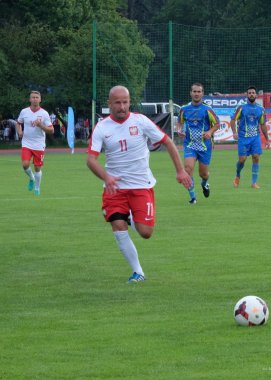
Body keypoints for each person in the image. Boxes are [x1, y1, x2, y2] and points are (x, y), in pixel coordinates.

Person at [86, 85, 192, 283]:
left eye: (125, 102)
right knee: (118, 225)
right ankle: (138, 272)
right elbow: (91, 160)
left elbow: (168, 141)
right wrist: (106, 178)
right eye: (117, 102)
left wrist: (180, 171)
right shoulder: (102, 127)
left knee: (145, 233)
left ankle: (131, 217)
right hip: (115, 189)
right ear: (110, 104)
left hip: (141, 186)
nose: (122, 106)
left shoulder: (141, 121)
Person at [176, 83, 220, 204]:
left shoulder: (207, 110)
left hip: (205, 146)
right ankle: (193, 197)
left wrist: (210, 132)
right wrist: (179, 130)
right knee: (188, 169)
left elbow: (217, 124)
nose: (196, 94)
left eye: (199, 91)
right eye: (194, 91)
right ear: (190, 93)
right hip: (190, 144)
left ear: (202, 93)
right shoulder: (184, 109)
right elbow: (179, 122)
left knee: (203, 174)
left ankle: (205, 184)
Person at [230, 85, 269, 189]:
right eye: (250, 93)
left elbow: (263, 124)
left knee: (256, 157)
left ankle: (254, 183)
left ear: (256, 95)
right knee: (242, 160)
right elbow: (233, 120)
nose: (251, 94)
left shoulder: (261, 109)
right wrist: (234, 132)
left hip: (255, 137)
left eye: (253, 93)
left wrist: (267, 139)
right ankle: (237, 174)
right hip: (243, 138)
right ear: (247, 95)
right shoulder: (241, 107)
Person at [16, 91, 54, 196]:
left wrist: (41, 125)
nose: (35, 99)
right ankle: (31, 178)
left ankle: (37, 188)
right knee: (25, 164)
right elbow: (18, 123)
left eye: (37, 97)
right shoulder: (24, 111)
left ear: (40, 99)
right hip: (26, 143)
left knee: (37, 168)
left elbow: (51, 130)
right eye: (33, 97)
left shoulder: (44, 113)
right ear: (30, 99)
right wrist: (19, 132)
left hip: (39, 144)